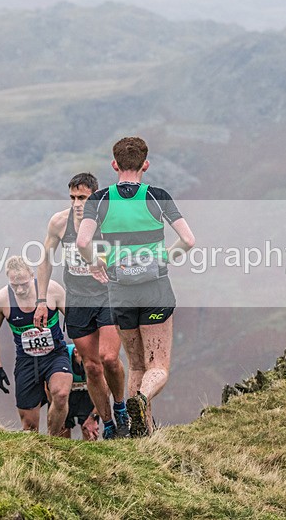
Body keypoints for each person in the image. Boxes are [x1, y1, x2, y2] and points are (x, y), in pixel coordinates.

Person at [76, 136, 195, 437]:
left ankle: (142, 435)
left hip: (121, 290)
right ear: (146, 165)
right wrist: (164, 258)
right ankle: (141, 401)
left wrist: (94, 262)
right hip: (155, 287)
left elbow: (81, 242)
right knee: (158, 368)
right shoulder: (156, 197)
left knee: (137, 366)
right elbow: (189, 240)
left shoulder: (99, 200)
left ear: (114, 165)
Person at [34, 172, 128, 439]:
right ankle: (108, 423)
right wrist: (42, 301)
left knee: (109, 358)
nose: (77, 203)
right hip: (77, 299)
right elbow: (45, 261)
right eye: (73, 197)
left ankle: (120, 406)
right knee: (91, 367)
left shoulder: (108, 221)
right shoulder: (60, 223)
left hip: (108, 295)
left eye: (83, 198)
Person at [0, 256, 73, 436]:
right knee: (29, 428)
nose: (19, 289)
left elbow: (74, 320)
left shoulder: (52, 290)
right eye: (14, 285)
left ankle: (53, 439)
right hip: (26, 361)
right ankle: (36, 452)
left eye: (24, 284)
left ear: (32, 276)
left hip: (55, 354)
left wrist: (85, 350)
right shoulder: (1, 300)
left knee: (61, 394)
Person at [57, 343, 100, 441]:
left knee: (90, 433)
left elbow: (105, 394)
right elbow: (47, 387)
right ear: (76, 352)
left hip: (89, 394)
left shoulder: (99, 357)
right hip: (65, 394)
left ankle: (90, 455)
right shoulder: (63, 355)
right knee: (61, 432)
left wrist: (94, 416)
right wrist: (57, 414)